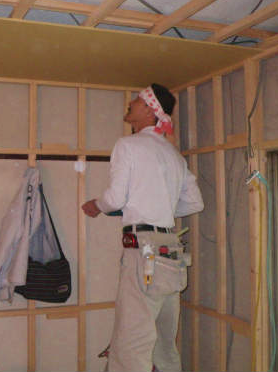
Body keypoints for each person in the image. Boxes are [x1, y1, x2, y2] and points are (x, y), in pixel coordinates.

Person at [82, 83, 203, 372]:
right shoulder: (173, 154)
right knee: (164, 343)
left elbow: (114, 199)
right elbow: (194, 203)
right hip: (170, 252)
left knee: (131, 343)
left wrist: (96, 205)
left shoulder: (128, 145)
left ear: (150, 110)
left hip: (144, 252)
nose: (131, 103)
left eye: (137, 100)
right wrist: (159, 209)